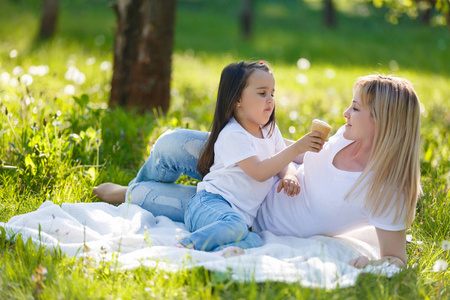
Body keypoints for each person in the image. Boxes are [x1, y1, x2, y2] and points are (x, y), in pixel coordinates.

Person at [94, 74, 422, 268]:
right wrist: (264, 151)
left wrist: (373, 265)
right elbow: (301, 155)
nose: (344, 112)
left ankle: (130, 194)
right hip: (262, 172)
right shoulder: (345, 137)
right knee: (171, 143)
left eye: (355, 108)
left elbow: (396, 259)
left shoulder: (387, 190)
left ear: (382, 120)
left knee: (147, 195)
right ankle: (134, 190)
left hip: (244, 211)